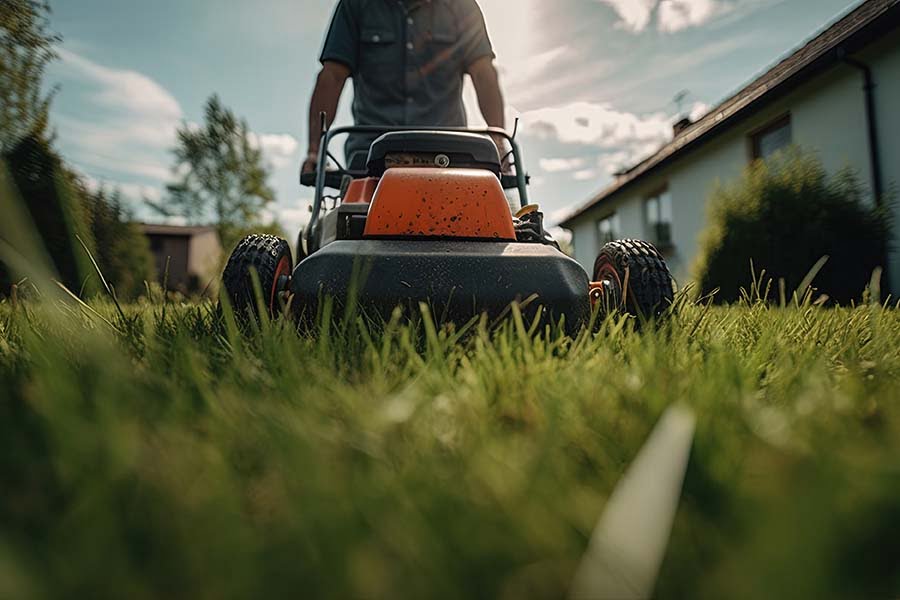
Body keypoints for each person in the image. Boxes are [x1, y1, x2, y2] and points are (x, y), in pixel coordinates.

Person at [301, 0, 507, 175]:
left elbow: (483, 74)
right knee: (348, 217)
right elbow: (332, 76)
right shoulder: (356, 5)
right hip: (370, 157)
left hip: (449, 156)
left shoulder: (461, 6)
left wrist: (498, 142)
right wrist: (314, 151)